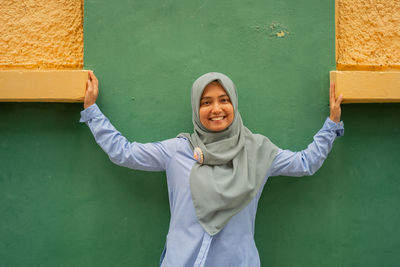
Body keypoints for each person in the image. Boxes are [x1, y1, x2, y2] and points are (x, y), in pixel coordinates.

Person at [80, 71, 344, 267]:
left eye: (223, 100)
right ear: (196, 108)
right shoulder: (178, 151)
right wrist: (92, 112)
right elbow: (124, 152)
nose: (216, 109)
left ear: (234, 104)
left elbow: (305, 163)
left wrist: (331, 124)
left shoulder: (258, 152)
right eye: (206, 102)